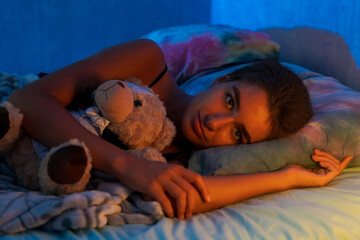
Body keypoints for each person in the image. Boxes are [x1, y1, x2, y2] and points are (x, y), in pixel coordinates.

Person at [7, 39, 352, 220]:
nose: (215, 123)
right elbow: (28, 99)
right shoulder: (147, 62)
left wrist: (288, 177)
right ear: (222, 79)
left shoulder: (187, 161)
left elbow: (191, 198)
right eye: (229, 102)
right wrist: (128, 165)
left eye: (238, 135)